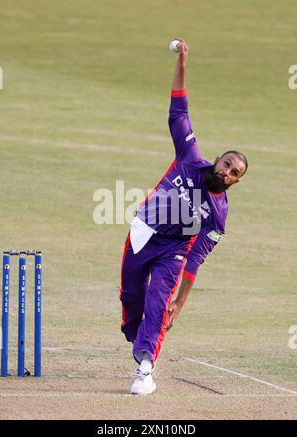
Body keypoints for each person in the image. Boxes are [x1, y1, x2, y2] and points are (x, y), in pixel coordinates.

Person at [119, 39, 248, 395]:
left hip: (174, 250)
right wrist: (183, 61)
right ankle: (139, 333)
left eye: (235, 172)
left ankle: (145, 369)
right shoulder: (190, 156)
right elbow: (179, 111)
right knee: (132, 299)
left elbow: (196, 259)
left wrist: (181, 301)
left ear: (236, 181)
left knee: (158, 304)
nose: (227, 172)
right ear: (218, 160)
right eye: (227, 164)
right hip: (145, 230)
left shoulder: (218, 216)